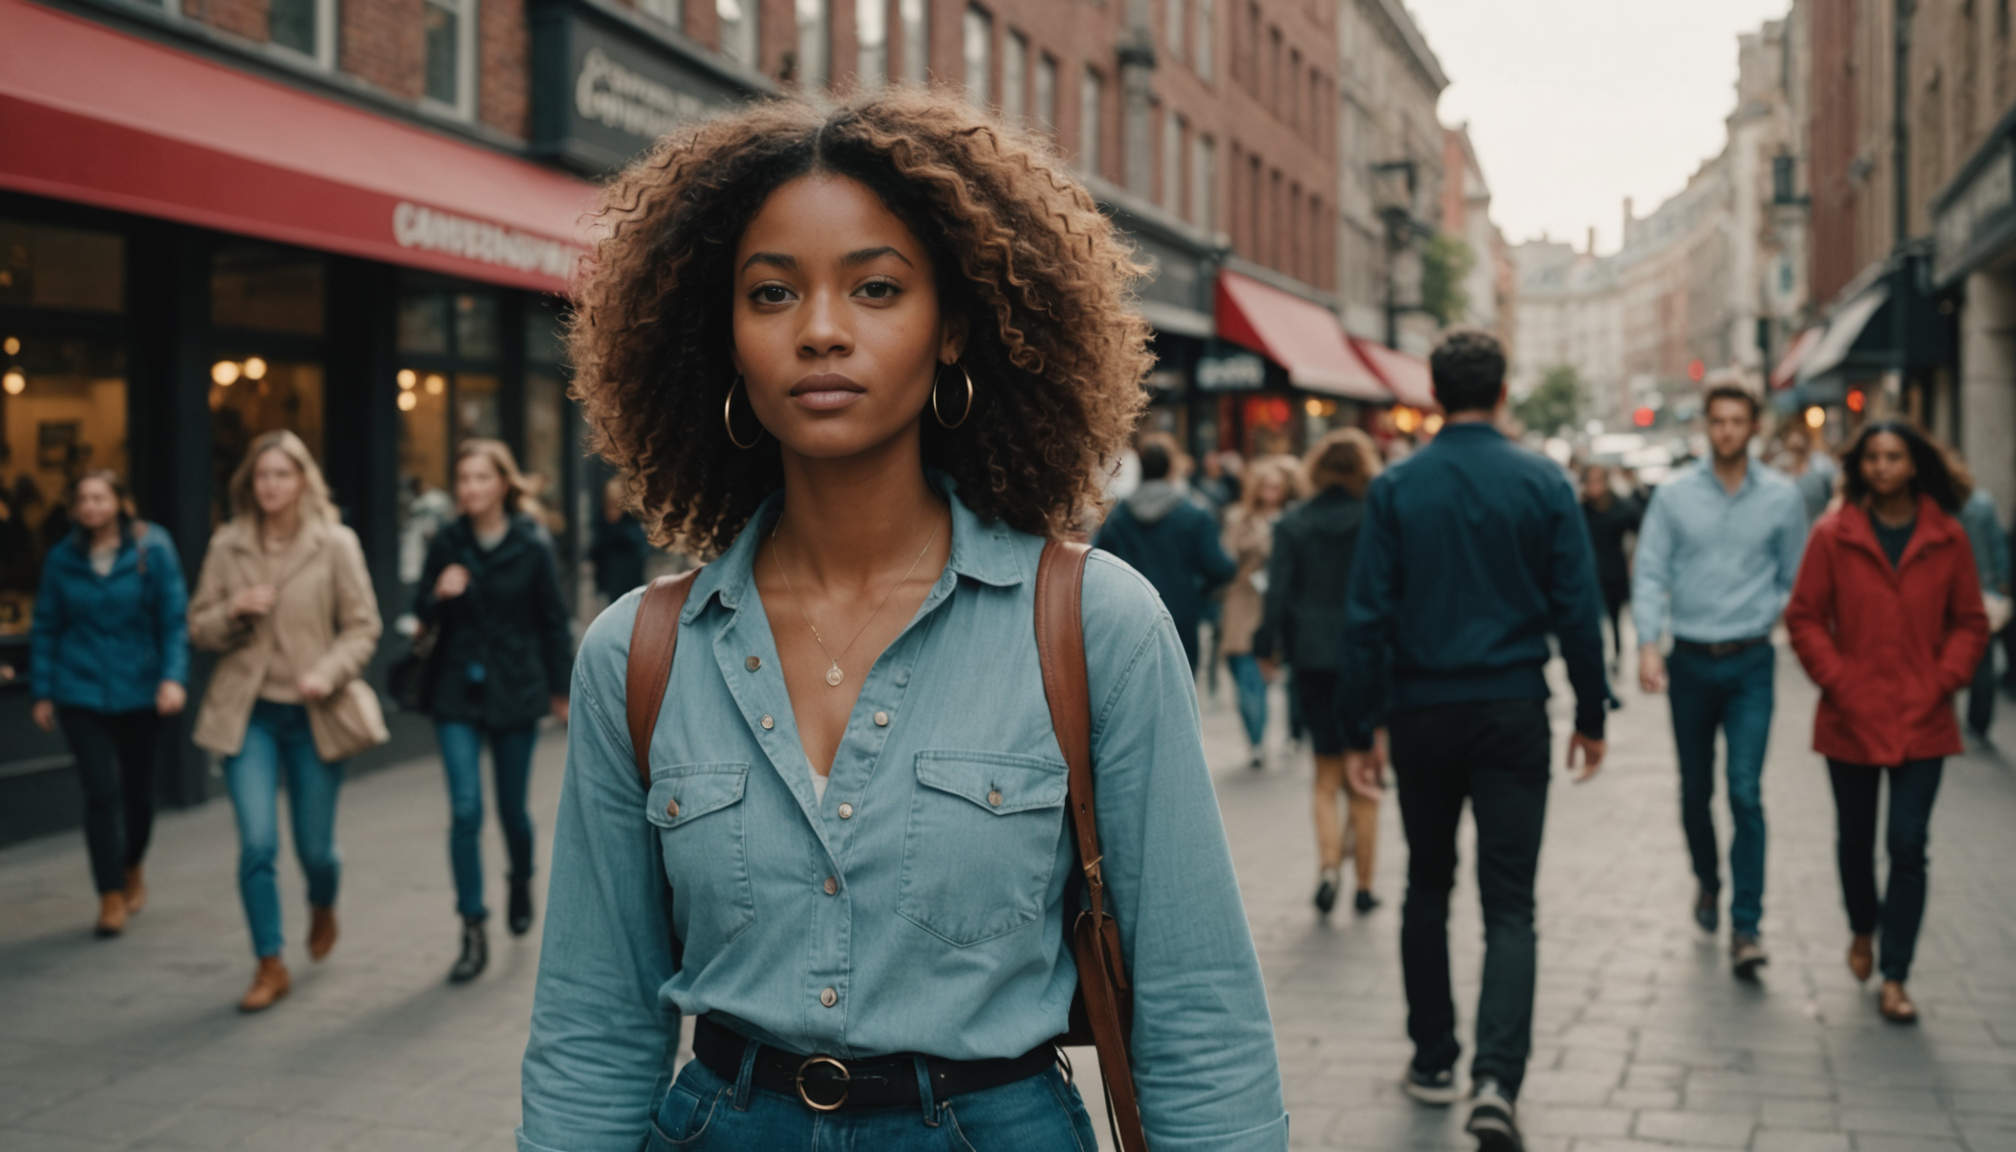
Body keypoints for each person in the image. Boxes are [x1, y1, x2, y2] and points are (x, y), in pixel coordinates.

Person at [517, 92, 1287, 1152]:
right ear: (728, 337)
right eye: (772, 292)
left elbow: (1197, 1009)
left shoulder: (1092, 625)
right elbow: (595, 1027)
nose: (822, 329)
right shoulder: (640, 655)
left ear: (955, 323)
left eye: (876, 288)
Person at [1336, 330, 1608, 1152]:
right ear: (1503, 387)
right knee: (1511, 902)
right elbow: (1578, 607)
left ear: (1433, 389)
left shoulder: (1399, 487)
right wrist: (1591, 713)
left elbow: (1368, 615)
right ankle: (1497, 1079)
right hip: (1514, 708)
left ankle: (1432, 1057)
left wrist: (1360, 726)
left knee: (1427, 883)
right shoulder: (1543, 481)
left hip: (1421, 712)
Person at [1785, 421, 1987, 1024]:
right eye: (1872, 457)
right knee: (1854, 842)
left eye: (1894, 457)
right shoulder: (1833, 534)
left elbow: (1971, 622)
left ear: (1915, 464)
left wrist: (1939, 681)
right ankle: (1862, 928)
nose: (1881, 467)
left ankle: (1896, 973)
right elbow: (1804, 617)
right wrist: (1840, 680)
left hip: (1923, 719)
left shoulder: (1946, 538)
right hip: (1850, 715)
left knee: (1907, 843)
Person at [188, 430, 387, 1012]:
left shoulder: (336, 544)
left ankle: (323, 901)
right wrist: (231, 610)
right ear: (249, 483)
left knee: (316, 851)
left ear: (303, 479)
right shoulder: (229, 543)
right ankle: (269, 962)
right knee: (257, 843)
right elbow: (198, 626)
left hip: (314, 716)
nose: (270, 485)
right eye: (261, 476)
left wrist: (327, 672)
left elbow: (363, 627)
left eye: (282, 474)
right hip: (249, 717)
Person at [1631, 378, 1807, 978]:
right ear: (1706, 426)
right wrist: (1648, 645)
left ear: (1752, 427)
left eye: (1737, 421)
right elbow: (1650, 570)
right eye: (1718, 421)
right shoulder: (1675, 496)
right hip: (1690, 661)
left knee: (1745, 791)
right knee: (1694, 791)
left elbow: (1794, 575)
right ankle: (1708, 879)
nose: (1727, 430)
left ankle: (1747, 924)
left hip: (1752, 661)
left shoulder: (1782, 499)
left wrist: (1772, 620)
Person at [413, 439, 575, 984]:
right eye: (462, 480)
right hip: (456, 690)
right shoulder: (447, 541)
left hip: (515, 687)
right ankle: (472, 927)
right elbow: (419, 611)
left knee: (511, 809)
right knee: (464, 810)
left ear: (502, 485)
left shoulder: (532, 544)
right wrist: (439, 591)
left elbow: (553, 619)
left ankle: (521, 877)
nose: (469, 489)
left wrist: (561, 691)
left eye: (480, 478)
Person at [29, 470, 189, 937]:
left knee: (138, 791)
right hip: (80, 691)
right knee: (101, 793)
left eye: (100, 498)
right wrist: (42, 691)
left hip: (140, 689)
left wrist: (172, 678)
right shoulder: (62, 559)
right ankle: (110, 894)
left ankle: (133, 862)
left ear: (120, 501)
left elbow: (173, 620)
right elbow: (45, 628)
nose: (91, 507)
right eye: (83, 499)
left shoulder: (152, 548)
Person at [1255, 429, 1382, 916]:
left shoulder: (1293, 523)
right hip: (1366, 656)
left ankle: (1329, 866)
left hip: (1311, 656)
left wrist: (1268, 647)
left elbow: (1278, 594)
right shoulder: (1374, 519)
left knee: (1326, 773)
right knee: (1366, 770)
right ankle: (1366, 884)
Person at [1094, 431, 1238, 672]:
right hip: (1179, 614)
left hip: (1130, 615)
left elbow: (1099, 565)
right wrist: (1199, 591)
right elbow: (1218, 567)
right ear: (1172, 466)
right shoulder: (1193, 514)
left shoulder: (1119, 517)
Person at [1220, 457, 1294, 769]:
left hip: (1278, 608)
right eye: (1265, 486)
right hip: (1243, 604)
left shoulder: (1292, 518)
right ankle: (1255, 739)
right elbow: (1224, 556)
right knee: (1244, 677)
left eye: (1276, 486)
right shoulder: (1238, 517)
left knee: (1263, 678)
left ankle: (1273, 737)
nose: (1270, 492)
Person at [1945, 449, 2010, 739]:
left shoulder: (1936, 504)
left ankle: (1943, 713)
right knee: (1982, 658)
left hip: (1947, 591)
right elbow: (1998, 547)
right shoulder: (1981, 503)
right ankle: (1978, 722)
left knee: (1943, 653)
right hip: (1981, 589)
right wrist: (2000, 585)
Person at [1579, 464, 1642, 669]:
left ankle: (1617, 656)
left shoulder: (1621, 506)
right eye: (1590, 481)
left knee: (1615, 620)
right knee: (1591, 622)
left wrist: (1634, 558)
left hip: (1614, 571)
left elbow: (1642, 530)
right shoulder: (1581, 509)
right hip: (1588, 573)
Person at [587, 476, 652, 608]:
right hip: (607, 577)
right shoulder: (601, 520)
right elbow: (596, 549)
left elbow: (638, 544)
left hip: (628, 577)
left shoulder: (631, 521)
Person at [1777, 424, 1840, 524]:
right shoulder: (1780, 469)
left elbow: (1838, 489)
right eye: (1793, 449)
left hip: (1819, 527)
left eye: (1798, 449)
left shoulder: (1821, 465)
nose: (1795, 452)